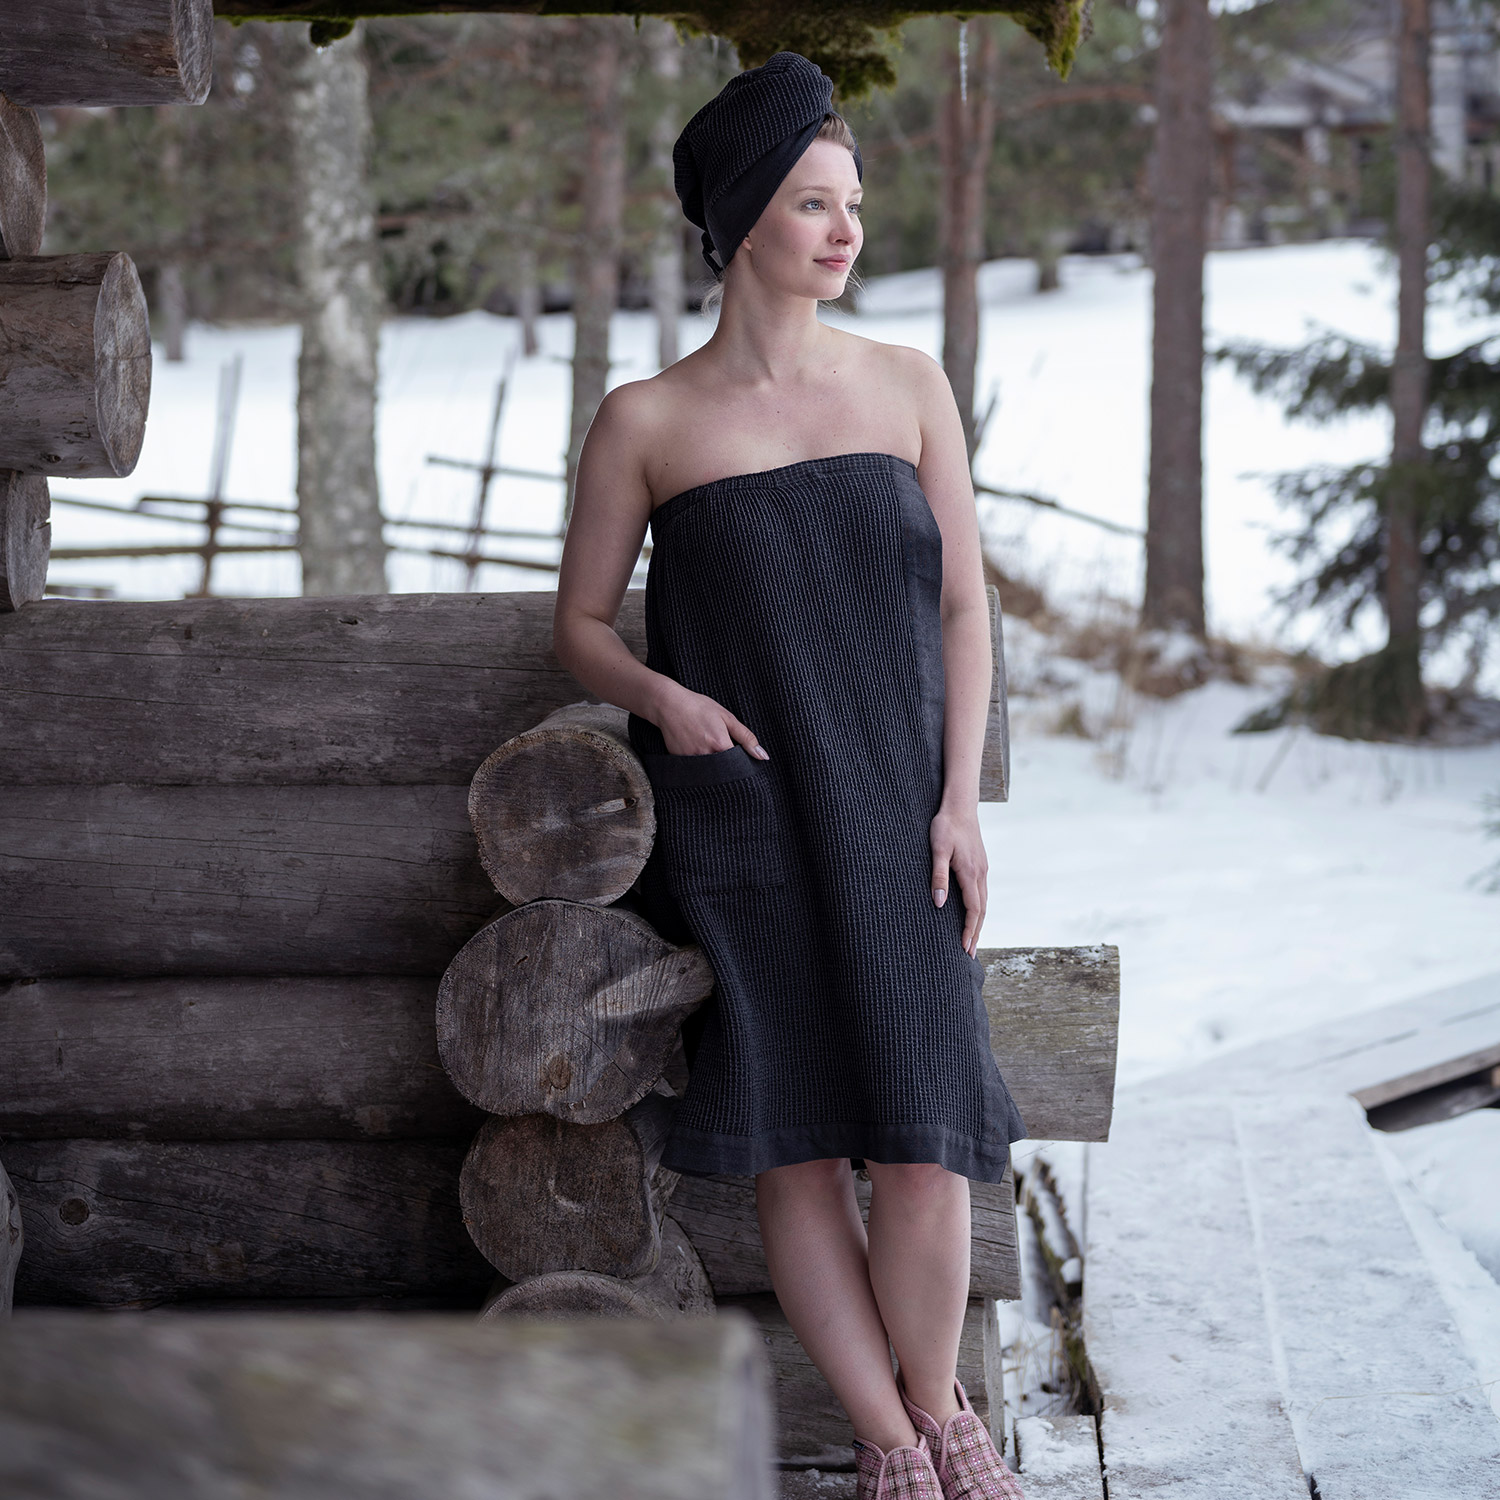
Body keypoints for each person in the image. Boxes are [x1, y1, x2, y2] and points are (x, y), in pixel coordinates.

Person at [553, 50, 1027, 1500]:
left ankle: (943, 1421)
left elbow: (964, 607)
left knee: (927, 1136)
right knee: (798, 1144)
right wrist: (664, 699)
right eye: (816, 202)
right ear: (745, 215)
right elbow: (579, 629)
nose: (846, 230)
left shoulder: (906, 385)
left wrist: (958, 802)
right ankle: (892, 1453)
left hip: (897, 818)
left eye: (853, 204)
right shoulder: (648, 421)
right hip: (745, 820)